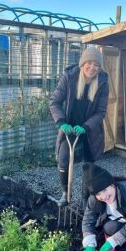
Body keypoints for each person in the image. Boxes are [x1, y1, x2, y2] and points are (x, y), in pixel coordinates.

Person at [49, 47, 109, 207]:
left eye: (96, 64)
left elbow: (101, 112)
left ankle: (84, 197)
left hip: (89, 128)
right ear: (82, 63)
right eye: (89, 63)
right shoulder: (69, 77)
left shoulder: (102, 82)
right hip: (69, 126)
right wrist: (61, 122)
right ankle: (65, 193)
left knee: (89, 162)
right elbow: (54, 102)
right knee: (63, 159)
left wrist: (87, 126)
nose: (92, 68)